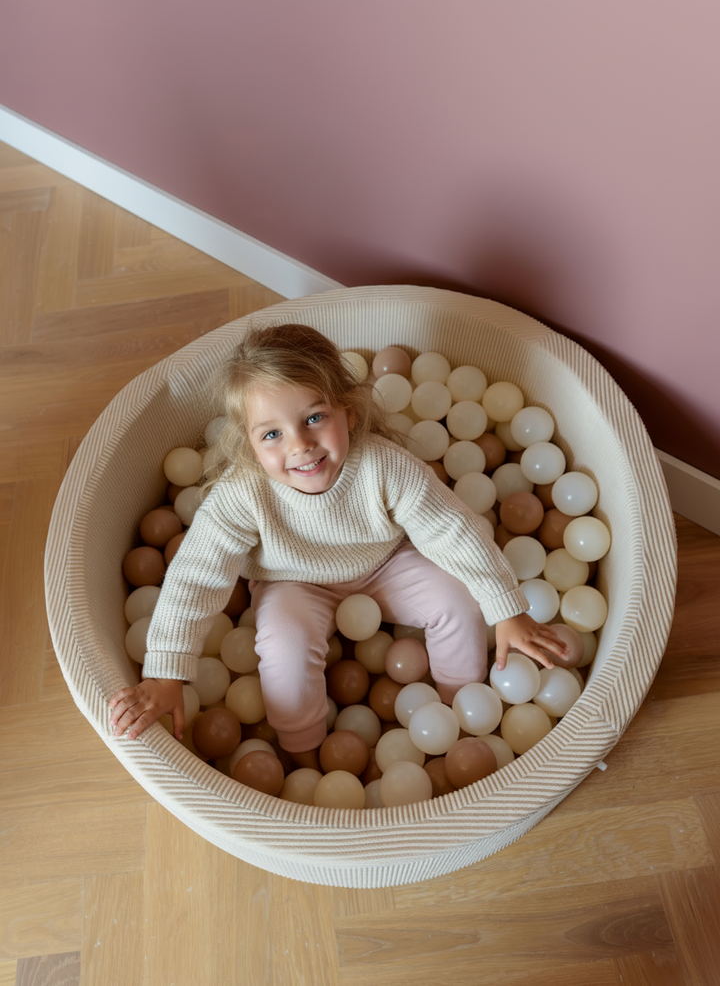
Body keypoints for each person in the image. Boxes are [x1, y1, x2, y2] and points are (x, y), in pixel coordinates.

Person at [109, 323, 569, 753]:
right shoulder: (243, 493)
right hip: (293, 582)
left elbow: (451, 529)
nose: (299, 445)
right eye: (272, 434)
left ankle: (462, 711)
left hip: (387, 563)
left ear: (347, 413)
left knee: (458, 600)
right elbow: (196, 574)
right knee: (283, 646)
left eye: (313, 418)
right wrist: (165, 672)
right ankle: (304, 755)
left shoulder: (383, 467)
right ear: (250, 446)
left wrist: (506, 608)